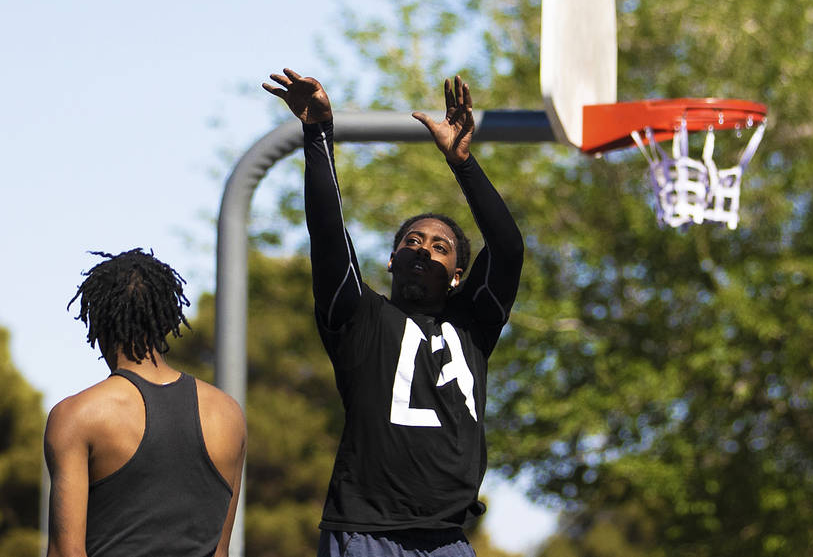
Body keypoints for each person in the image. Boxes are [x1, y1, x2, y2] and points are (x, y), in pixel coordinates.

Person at [263, 68, 524, 557]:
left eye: (441, 247)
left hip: (448, 538)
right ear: (391, 259)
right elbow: (328, 233)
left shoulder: (473, 325)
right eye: (413, 241)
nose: (424, 248)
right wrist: (318, 132)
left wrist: (464, 163)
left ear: (457, 275)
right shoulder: (358, 318)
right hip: (366, 533)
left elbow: (507, 248)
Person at [43, 248, 247, 557]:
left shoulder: (77, 416)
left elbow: (65, 552)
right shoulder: (228, 414)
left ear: (98, 323)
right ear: (166, 320)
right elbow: (220, 552)